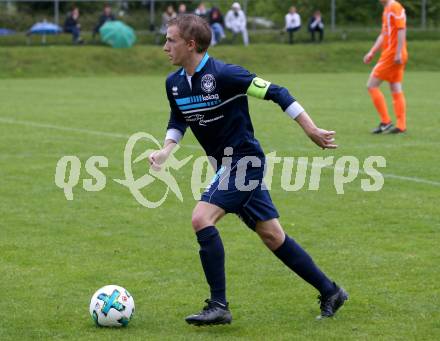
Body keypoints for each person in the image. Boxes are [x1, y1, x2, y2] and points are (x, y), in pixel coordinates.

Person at [149, 14, 348, 326]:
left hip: (244, 162)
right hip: (224, 167)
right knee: (272, 235)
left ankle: (218, 305)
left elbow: (277, 92)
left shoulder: (226, 74)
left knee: (201, 218)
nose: (165, 47)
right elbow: (179, 118)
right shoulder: (174, 84)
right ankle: (331, 291)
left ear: (191, 44)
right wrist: (165, 150)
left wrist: (310, 129)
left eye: (170, 40)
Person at [364, 0, 408, 134]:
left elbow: (401, 29)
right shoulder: (387, 8)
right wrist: (372, 51)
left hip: (392, 54)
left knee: (371, 85)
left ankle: (386, 121)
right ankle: (401, 125)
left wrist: (398, 51)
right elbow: (384, 34)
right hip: (393, 53)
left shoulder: (394, 6)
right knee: (395, 86)